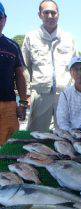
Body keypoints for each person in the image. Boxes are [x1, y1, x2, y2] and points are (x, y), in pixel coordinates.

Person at [22, 0, 76, 131]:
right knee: (36, 135)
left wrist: (74, 93)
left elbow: (75, 67)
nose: (50, 16)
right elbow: (24, 68)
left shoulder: (69, 38)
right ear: (39, 15)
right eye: (46, 12)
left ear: (58, 14)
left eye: (53, 12)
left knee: (65, 134)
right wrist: (27, 95)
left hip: (64, 95)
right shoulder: (31, 37)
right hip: (40, 95)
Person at [0, 2, 27, 146]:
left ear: (4, 19)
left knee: (9, 146)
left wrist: (22, 102)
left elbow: (20, 76)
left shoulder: (13, 46)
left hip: (9, 105)